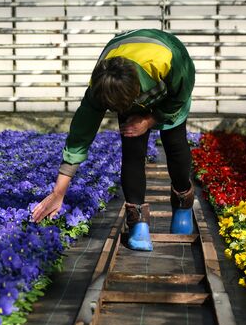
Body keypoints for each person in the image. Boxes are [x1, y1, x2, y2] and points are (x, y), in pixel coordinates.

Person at [31, 28, 197, 251]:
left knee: (175, 145)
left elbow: (182, 93)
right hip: (127, 89)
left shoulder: (167, 60)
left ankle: (182, 205)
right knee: (132, 151)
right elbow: (80, 136)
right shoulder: (101, 85)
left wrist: (149, 120)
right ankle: (138, 223)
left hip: (168, 92)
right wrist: (58, 192)